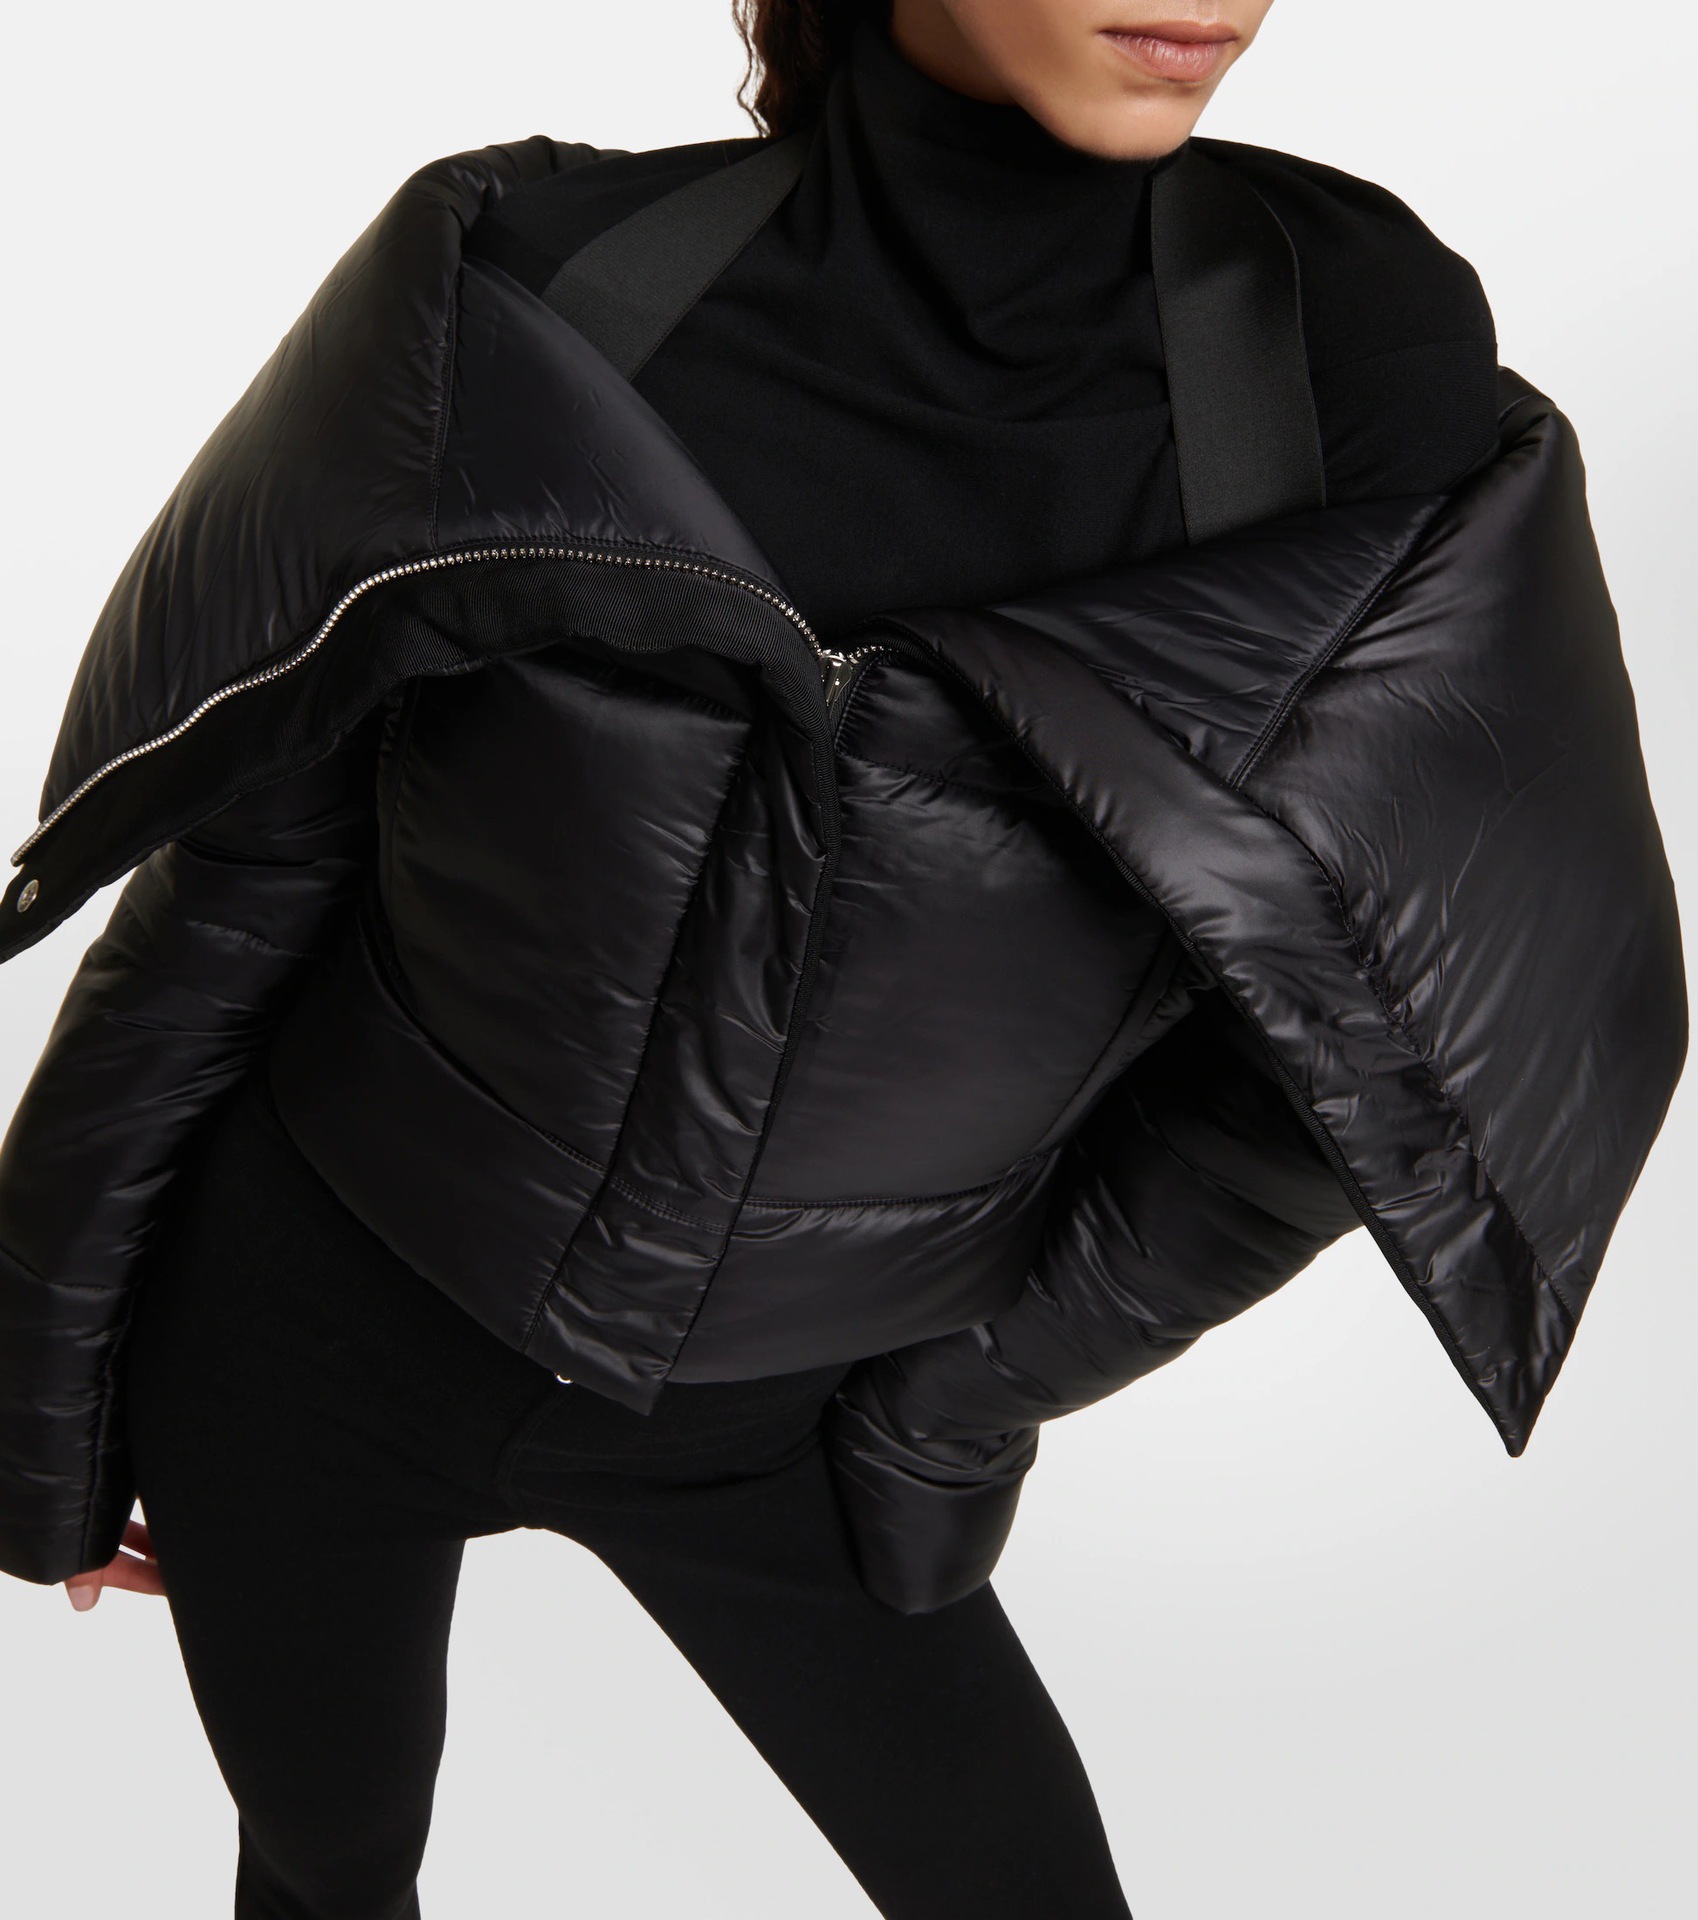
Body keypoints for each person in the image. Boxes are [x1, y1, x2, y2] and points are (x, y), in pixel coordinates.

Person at [0, 2, 1683, 1916]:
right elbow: (239, 875)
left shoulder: (1351, 364)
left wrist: (955, 1405)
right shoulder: (538, 277)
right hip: (297, 1328)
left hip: (794, 1421)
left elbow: (1357, 1058)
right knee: (320, 1878)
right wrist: (38, 1390)